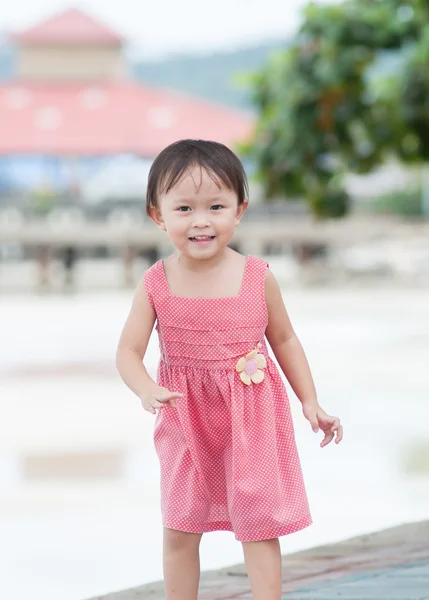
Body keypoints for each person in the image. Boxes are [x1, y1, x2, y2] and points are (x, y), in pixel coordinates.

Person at [116, 139, 343, 600]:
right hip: (184, 420)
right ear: (157, 215)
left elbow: (284, 340)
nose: (201, 220)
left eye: (216, 206)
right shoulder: (156, 282)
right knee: (181, 525)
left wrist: (310, 401)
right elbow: (127, 351)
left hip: (252, 418)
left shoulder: (258, 276)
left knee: (258, 526)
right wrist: (146, 389)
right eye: (184, 208)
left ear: (238, 211)